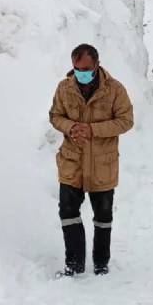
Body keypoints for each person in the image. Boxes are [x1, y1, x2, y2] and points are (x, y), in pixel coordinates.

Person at [48, 44, 134, 276]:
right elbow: (55, 116)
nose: (81, 74)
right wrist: (71, 127)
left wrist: (93, 130)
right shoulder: (64, 88)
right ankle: (74, 264)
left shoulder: (115, 90)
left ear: (96, 65)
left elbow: (126, 120)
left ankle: (101, 263)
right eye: (76, 69)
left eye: (85, 70)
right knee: (68, 213)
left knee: (103, 216)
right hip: (72, 163)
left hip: (102, 165)